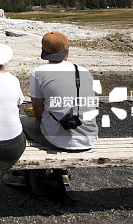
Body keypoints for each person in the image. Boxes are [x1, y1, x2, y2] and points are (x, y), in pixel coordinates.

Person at [6, 31, 98, 195]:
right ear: (67, 51)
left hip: (57, 139)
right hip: (89, 136)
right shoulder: (84, 71)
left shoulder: (38, 73)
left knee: (19, 122)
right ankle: (60, 172)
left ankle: (25, 172)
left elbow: (39, 113)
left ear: (43, 51)